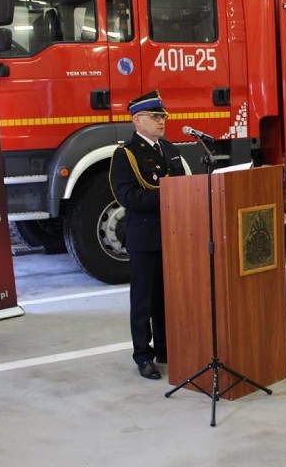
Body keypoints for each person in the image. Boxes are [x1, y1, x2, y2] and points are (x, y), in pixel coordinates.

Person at [110, 90, 186, 380]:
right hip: (144, 236)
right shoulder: (126, 155)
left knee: (166, 297)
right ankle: (143, 355)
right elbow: (128, 196)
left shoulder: (169, 149)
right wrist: (169, 197)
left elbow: (182, 185)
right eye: (155, 117)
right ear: (137, 120)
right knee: (142, 298)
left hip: (172, 233)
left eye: (162, 116)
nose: (161, 121)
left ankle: (166, 348)